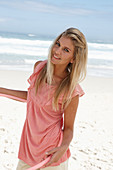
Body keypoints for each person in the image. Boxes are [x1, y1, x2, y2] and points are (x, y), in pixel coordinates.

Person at [0, 27, 88, 170]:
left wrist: (63, 148)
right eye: (58, 44)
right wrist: (2, 90)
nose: (57, 51)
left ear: (73, 58)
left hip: (51, 154)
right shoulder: (40, 68)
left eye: (66, 50)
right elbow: (34, 98)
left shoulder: (71, 91)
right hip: (28, 148)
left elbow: (69, 128)